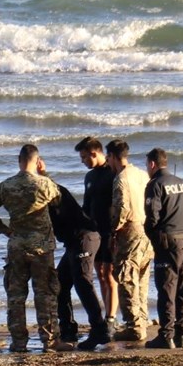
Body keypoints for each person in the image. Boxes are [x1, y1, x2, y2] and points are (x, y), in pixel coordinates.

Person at [0, 144, 70, 353]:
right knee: (45, 294)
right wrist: (44, 173)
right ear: (37, 161)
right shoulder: (45, 184)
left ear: (19, 160)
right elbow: (60, 199)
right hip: (42, 249)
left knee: (16, 296)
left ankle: (19, 342)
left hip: (17, 246)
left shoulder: (6, 186)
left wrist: (3, 229)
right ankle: (49, 341)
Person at [36, 158, 109, 351]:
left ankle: (99, 329)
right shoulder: (45, 188)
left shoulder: (48, 190)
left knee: (83, 283)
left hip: (84, 237)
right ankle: (68, 329)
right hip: (73, 242)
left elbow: (50, 191)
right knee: (60, 283)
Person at [143, 148, 183, 349]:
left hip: (168, 243)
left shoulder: (155, 185)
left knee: (166, 289)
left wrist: (155, 238)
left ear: (152, 164)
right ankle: (182, 334)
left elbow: (152, 218)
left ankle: (166, 335)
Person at [105, 139, 154, 343]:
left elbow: (122, 208)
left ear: (114, 157)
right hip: (146, 229)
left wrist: (113, 229)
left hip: (130, 230)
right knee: (141, 277)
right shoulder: (142, 175)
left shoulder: (121, 179)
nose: (107, 162)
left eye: (108, 158)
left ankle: (134, 326)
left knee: (126, 278)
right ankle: (142, 318)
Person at [75, 136, 119, 341]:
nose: (83, 161)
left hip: (110, 231)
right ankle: (105, 316)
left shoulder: (113, 173)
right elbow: (86, 206)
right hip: (94, 234)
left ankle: (111, 318)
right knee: (99, 273)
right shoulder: (90, 177)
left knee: (109, 274)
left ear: (95, 153)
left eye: (84, 157)